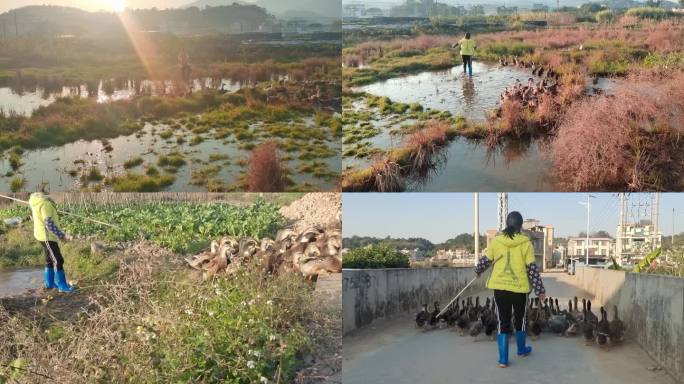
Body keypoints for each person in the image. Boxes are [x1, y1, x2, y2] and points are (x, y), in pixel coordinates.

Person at [474, 211, 546, 368]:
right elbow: (532, 269)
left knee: (503, 321)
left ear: (507, 224)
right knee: (520, 320)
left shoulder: (497, 241)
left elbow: (486, 260)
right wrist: (540, 290)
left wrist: (478, 270)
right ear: (520, 226)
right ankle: (521, 350)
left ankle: (503, 359)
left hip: (500, 288)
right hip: (519, 289)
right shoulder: (526, 243)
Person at [29, 191, 74, 293]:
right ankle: (62, 285)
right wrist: (62, 236)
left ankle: (50, 284)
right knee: (58, 260)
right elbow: (48, 224)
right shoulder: (45, 204)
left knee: (49, 258)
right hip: (47, 237)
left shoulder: (35, 202)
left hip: (40, 235)